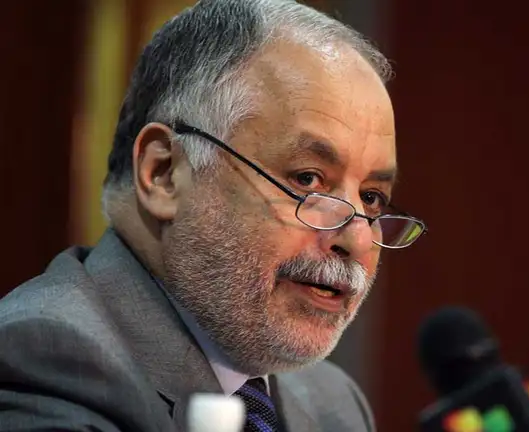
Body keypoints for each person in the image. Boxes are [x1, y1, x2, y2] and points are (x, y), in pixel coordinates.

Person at [0, 0, 427, 431]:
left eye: (372, 198)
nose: (356, 239)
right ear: (164, 173)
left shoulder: (333, 403)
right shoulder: (49, 361)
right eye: (307, 179)